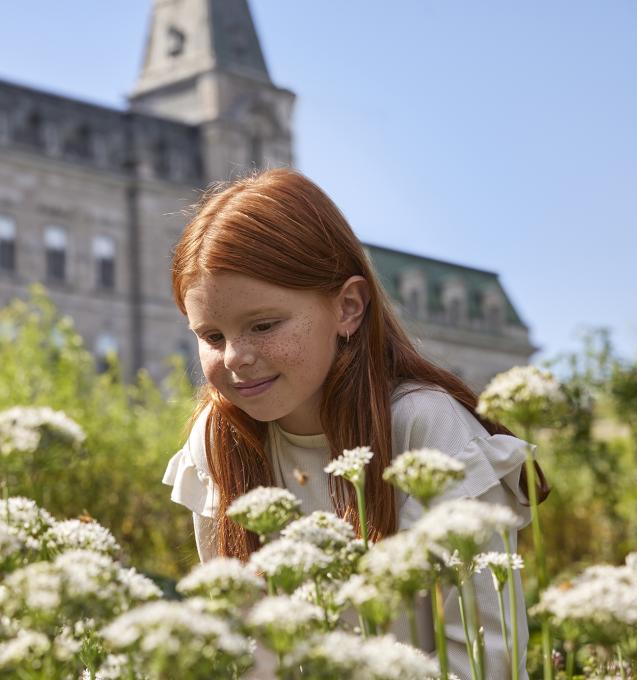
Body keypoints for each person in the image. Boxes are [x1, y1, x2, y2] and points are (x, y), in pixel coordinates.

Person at [162, 167, 548, 680]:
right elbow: (237, 641)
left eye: (263, 325)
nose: (236, 357)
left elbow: (485, 658)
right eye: (211, 336)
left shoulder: (423, 426)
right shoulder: (217, 438)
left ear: (347, 307)